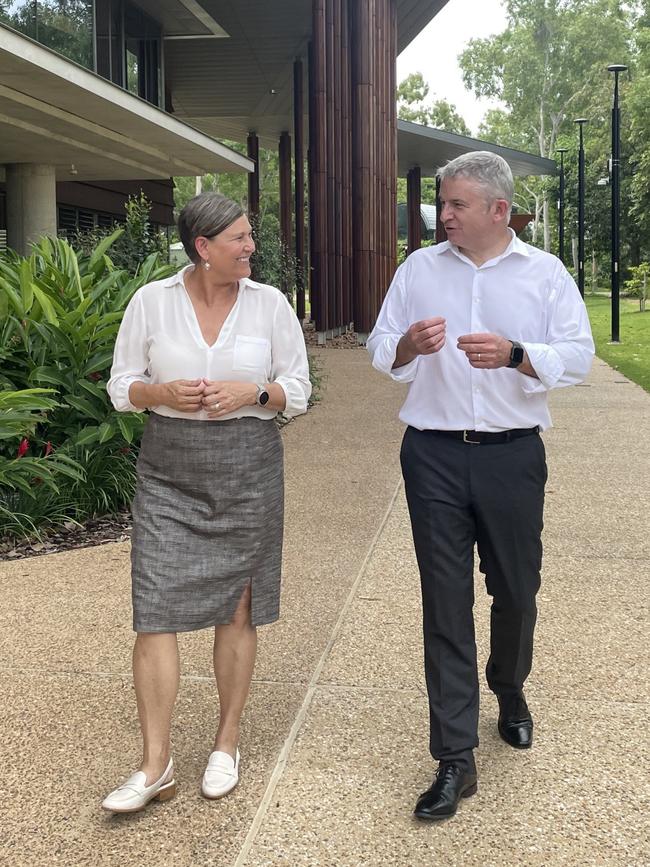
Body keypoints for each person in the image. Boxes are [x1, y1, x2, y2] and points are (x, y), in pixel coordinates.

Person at [367, 152, 594, 822]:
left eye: (458, 204)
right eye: (444, 202)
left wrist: (519, 354)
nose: (445, 215)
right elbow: (382, 350)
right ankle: (455, 757)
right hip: (431, 454)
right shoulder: (418, 269)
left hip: (512, 455)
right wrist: (407, 344)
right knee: (445, 602)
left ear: (500, 209)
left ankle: (509, 686)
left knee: (517, 590)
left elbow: (578, 356)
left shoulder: (545, 274)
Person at [102, 192, 311, 813]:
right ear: (203, 248)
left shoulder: (270, 304)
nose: (252, 248)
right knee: (154, 611)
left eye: (250, 237)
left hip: (248, 470)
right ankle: (154, 765)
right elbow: (121, 385)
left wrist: (254, 391)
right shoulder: (152, 302)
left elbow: (297, 388)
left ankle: (227, 742)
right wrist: (158, 390)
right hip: (168, 471)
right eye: (240, 239)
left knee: (237, 610)